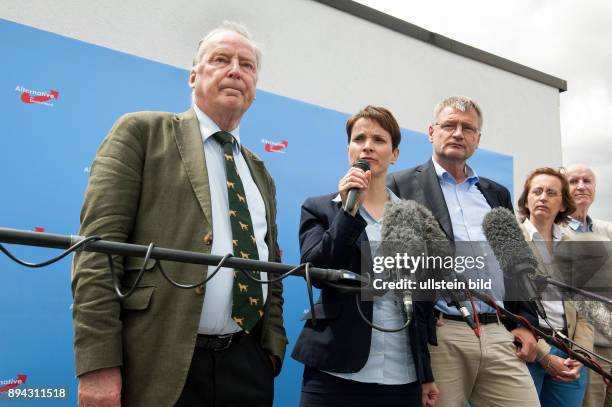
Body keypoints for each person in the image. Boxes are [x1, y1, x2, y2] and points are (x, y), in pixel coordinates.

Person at [71, 22, 287, 407]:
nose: (236, 70)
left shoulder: (259, 172)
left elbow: (271, 264)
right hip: (160, 364)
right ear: (193, 75)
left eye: (247, 65)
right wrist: (98, 365)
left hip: (247, 366)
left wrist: (270, 346)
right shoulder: (142, 133)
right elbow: (96, 254)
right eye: (221, 59)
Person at [387, 95, 540, 407]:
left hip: (499, 334)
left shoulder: (496, 193)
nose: (458, 133)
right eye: (449, 125)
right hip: (443, 335)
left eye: (467, 128)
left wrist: (525, 322)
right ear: (431, 132)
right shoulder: (399, 185)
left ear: (477, 139)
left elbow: (516, 264)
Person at [292, 106, 439, 407]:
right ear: (349, 149)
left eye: (379, 139)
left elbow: (422, 304)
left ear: (395, 154)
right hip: (335, 371)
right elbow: (316, 270)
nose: (368, 145)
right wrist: (348, 212)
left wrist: (426, 373)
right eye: (359, 138)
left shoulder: (414, 219)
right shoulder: (320, 208)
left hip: (403, 376)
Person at [516, 167, 593, 407]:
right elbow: (506, 306)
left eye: (551, 193)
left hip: (570, 354)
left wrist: (581, 355)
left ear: (563, 205)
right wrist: (544, 355)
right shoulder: (511, 240)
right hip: (527, 350)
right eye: (536, 191)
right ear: (526, 200)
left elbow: (586, 311)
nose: (542, 197)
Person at [562, 164, 612, 407]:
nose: (581, 186)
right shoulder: (553, 232)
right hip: (584, 348)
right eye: (573, 182)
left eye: (587, 181)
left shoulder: (608, 230)